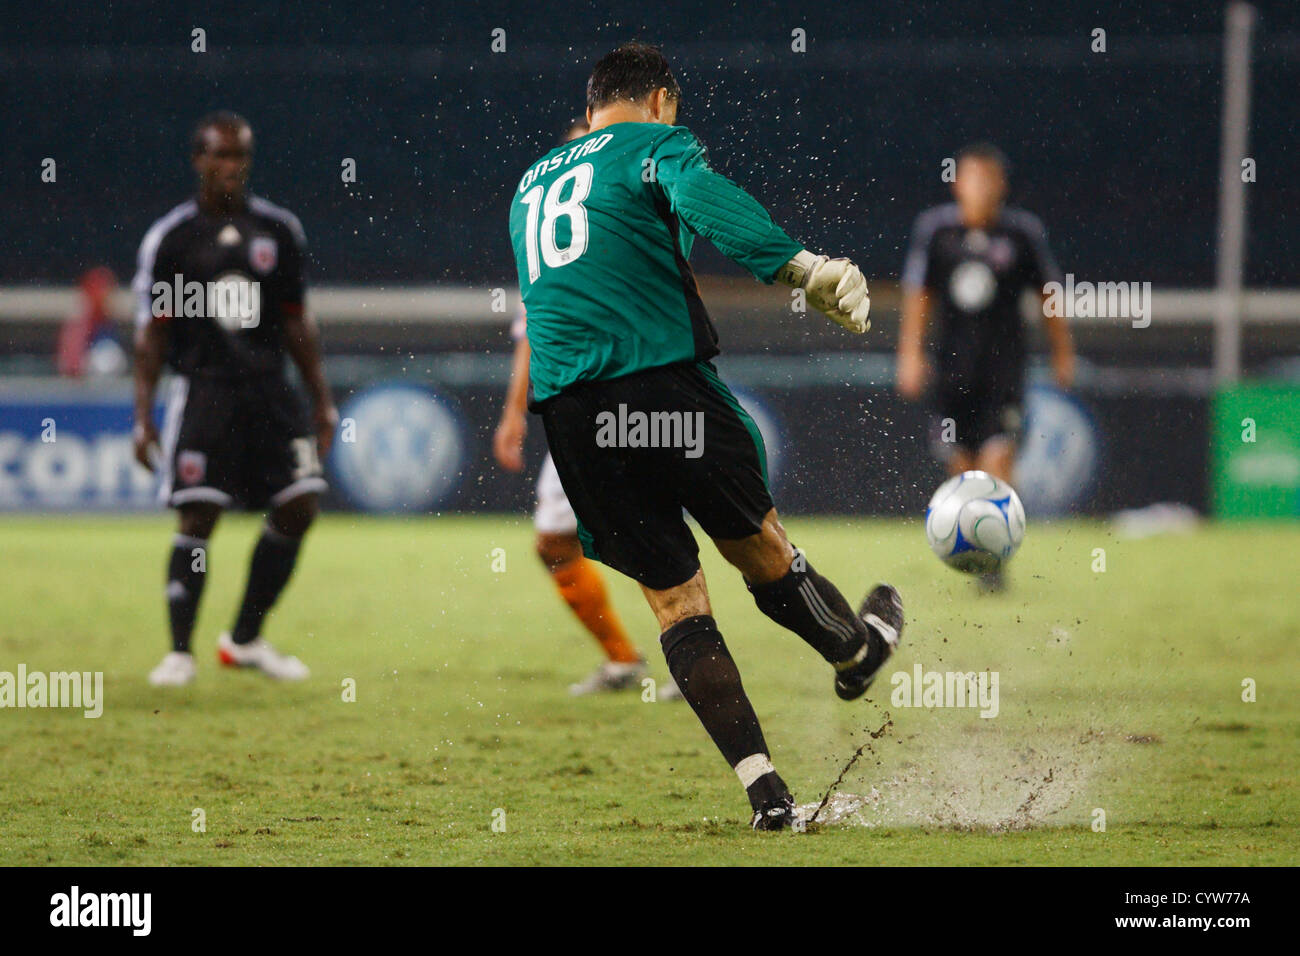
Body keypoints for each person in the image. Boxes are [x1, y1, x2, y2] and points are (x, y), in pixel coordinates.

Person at [508, 43, 903, 830]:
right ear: (662, 100)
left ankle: (767, 796)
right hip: (660, 386)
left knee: (676, 604)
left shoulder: (531, 182)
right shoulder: (656, 142)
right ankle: (854, 653)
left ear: (589, 110)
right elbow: (702, 196)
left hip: (573, 418)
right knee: (760, 549)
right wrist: (800, 267)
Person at [132, 111, 336, 686]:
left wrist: (320, 399)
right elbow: (152, 335)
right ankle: (179, 651)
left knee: (300, 504)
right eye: (219, 156)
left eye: (239, 156)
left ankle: (244, 639)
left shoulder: (276, 231)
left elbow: (299, 322)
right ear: (198, 160)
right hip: (206, 391)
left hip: (271, 390)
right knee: (199, 514)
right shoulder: (173, 238)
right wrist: (142, 415)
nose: (230, 167)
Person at [494, 122, 678, 698]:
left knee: (653, 539)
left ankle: (691, 664)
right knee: (556, 542)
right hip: (578, 414)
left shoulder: (628, 222)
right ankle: (625, 659)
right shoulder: (550, 231)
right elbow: (533, 330)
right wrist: (513, 413)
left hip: (630, 401)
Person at [897, 143, 1075, 590]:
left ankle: (994, 563)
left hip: (1004, 373)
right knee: (961, 463)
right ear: (957, 184)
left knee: (998, 457)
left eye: (988, 180)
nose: (979, 189)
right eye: (971, 179)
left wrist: (1062, 354)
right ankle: (972, 545)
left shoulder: (1021, 235)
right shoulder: (936, 232)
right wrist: (910, 355)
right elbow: (919, 297)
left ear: (1001, 187)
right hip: (952, 372)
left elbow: (1049, 296)